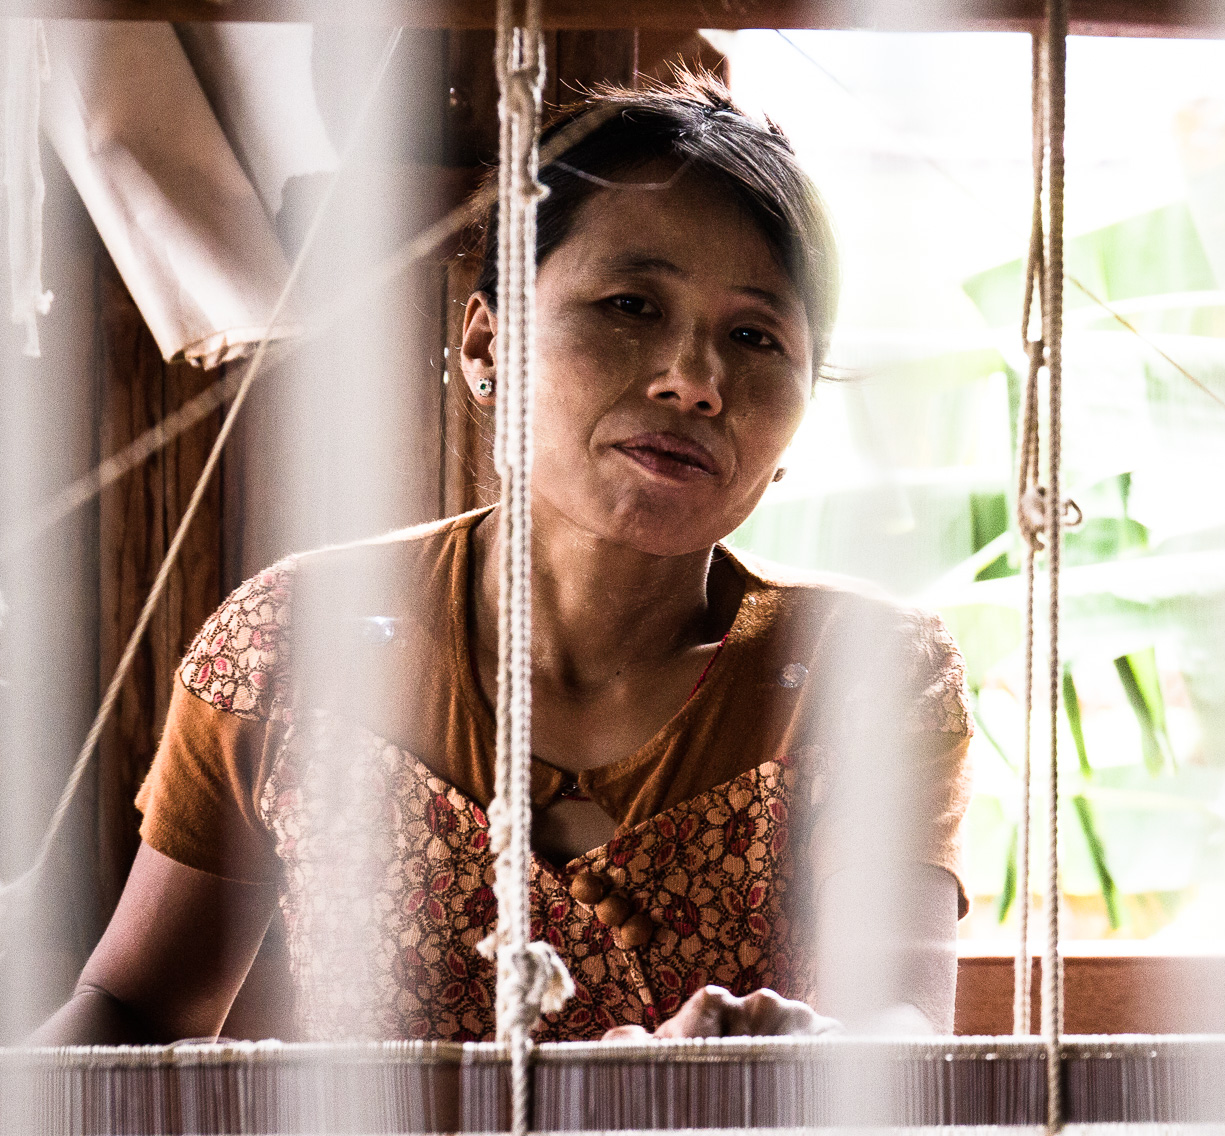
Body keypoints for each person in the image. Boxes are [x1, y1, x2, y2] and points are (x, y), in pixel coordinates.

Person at [32, 74, 972, 1045]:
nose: (695, 380)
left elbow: (903, 1026)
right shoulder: (286, 647)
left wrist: (817, 1053)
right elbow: (131, 1009)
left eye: (753, 334)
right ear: (488, 343)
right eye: (630, 304)